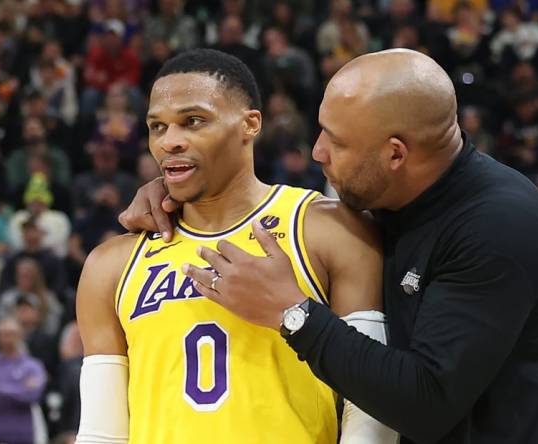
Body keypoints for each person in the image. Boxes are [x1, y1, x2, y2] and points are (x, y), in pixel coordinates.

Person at [120, 49, 538, 443]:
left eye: (336, 141)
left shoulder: (497, 226)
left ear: (395, 154)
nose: (317, 152)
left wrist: (293, 313)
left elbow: (426, 405)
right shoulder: (393, 192)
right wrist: (179, 189)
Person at [76, 49, 396, 444]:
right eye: (157, 127)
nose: (170, 142)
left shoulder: (327, 228)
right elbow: (101, 432)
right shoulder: (111, 264)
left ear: (250, 124)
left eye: (193, 121)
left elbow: (370, 405)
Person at [0, 317, 48, 444]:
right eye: (4, 334)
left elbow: (32, 395)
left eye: (12, 333)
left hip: (24, 436)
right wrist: (20, 388)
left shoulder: (33, 366)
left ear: (21, 336)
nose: (8, 338)